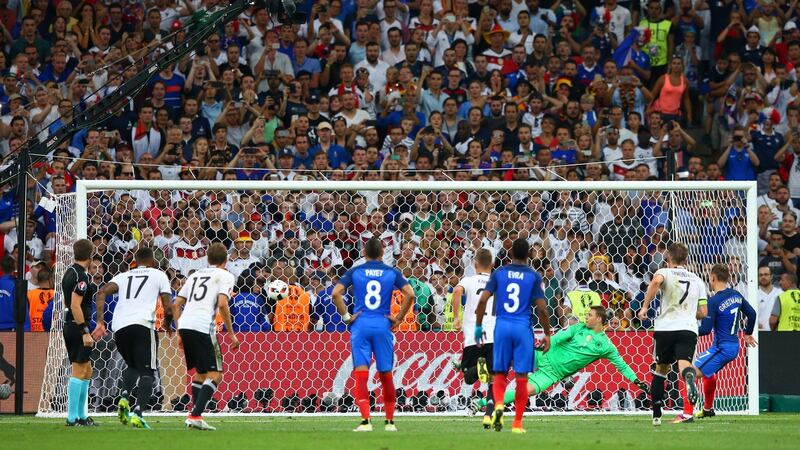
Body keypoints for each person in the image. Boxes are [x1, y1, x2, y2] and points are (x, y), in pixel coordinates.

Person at [474, 306, 649, 410]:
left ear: (599, 319)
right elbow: (557, 338)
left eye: (589, 315)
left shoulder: (606, 346)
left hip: (552, 374)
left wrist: (637, 381)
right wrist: (544, 344)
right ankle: (482, 366)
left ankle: (480, 403)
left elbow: (622, 365)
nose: (585, 316)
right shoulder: (577, 328)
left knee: (522, 393)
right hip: (543, 355)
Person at [332, 237, 415, 432]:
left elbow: (336, 293)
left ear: (364, 253)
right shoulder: (392, 272)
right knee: (386, 375)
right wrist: (399, 318)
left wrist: (346, 316)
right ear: (382, 253)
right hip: (382, 325)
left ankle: (366, 422)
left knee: (361, 375)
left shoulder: (356, 271)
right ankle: (389, 422)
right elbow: (410, 294)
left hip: (360, 326)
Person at [475, 238, 551, 434]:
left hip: (501, 327)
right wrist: (547, 334)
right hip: (522, 328)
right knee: (521, 378)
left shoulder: (499, 273)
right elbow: (542, 310)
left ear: (510, 254)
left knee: (499, 373)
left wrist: (477, 326)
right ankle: (517, 423)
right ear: (528, 255)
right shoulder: (534, 276)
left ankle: (498, 405)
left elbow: (483, 299)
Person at [94, 247, 172, 429]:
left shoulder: (123, 276)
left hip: (120, 328)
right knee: (148, 371)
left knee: (132, 366)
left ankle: (124, 397)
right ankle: (138, 413)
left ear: (135, 261)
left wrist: (100, 321)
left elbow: (101, 293)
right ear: (152, 261)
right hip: (143, 325)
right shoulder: (159, 275)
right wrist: (168, 325)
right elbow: (168, 306)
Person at [637, 243, 708, 426]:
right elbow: (703, 312)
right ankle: (689, 378)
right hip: (688, 328)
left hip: (666, 328)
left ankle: (657, 415)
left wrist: (644, 307)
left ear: (668, 258)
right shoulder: (698, 280)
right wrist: (689, 312)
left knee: (661, 370)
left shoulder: (665, 272)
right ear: (686, 260)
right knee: (685, 366)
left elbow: (655, 282)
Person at [173, 242, 239, 431]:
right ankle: (195, 415)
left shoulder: (195, 275)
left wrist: (179, 331)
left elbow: (176, 304)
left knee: (201, 373)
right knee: (216, 374)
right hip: (203, 326)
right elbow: (222, 303)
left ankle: (196, 416)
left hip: (185, 324)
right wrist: (232, 334)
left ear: (207, 259)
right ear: (225, 261)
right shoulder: (225, 275)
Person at [689, 264, 757, 420]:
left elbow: (705, 330)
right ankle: (708, 409)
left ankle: (686, 413)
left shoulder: (713, 301)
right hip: (733, 345)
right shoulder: (737, 295)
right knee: (708, 374)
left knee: (689, 373)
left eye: (710, 278)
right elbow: (752, 314)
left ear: (713, 278)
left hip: (722, 348)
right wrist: (747, 334)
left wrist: (688, 330)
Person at [451, 248, 496, 428]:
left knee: (469, 377)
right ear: (492, 265)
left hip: (473, 336)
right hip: (494, 335)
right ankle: (489, 414)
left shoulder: (468, 280)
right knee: (492, 378)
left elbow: (456, 292)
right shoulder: (497, 283)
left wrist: (456, 318)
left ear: (475, 263)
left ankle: (467, 366)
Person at [62, 239, 100, 426]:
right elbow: (75, 305)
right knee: (79, 370)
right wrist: (85, 330)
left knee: (87, 370)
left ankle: (83, 416)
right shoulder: (82, 277)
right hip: (78, 327)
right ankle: (72, 418)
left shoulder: (70, 272)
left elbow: (69, 304)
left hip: (71, 324)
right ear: (90, 255)